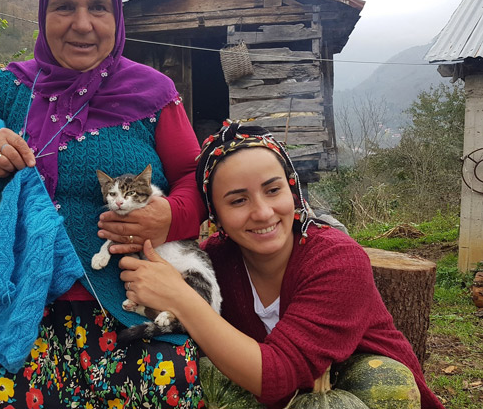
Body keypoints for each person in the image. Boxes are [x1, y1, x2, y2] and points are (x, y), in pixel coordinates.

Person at [0, 0, 207, 407]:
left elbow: (196, 178)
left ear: (117, 17)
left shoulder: (154, 93)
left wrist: (170, 215)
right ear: (43, 15)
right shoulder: (10, 89)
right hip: (22, 304)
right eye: (64, 8)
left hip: (136, 302)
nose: (83, 24)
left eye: (99, 7)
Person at [119, 121, 446, 409]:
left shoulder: (338, 261)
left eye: (273, 190)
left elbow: (279, 375)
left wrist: (182, 298)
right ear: (215, 216)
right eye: (238, 200)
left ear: (292, 190)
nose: (262, 212)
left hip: (364, 397)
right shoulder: (215, 261)